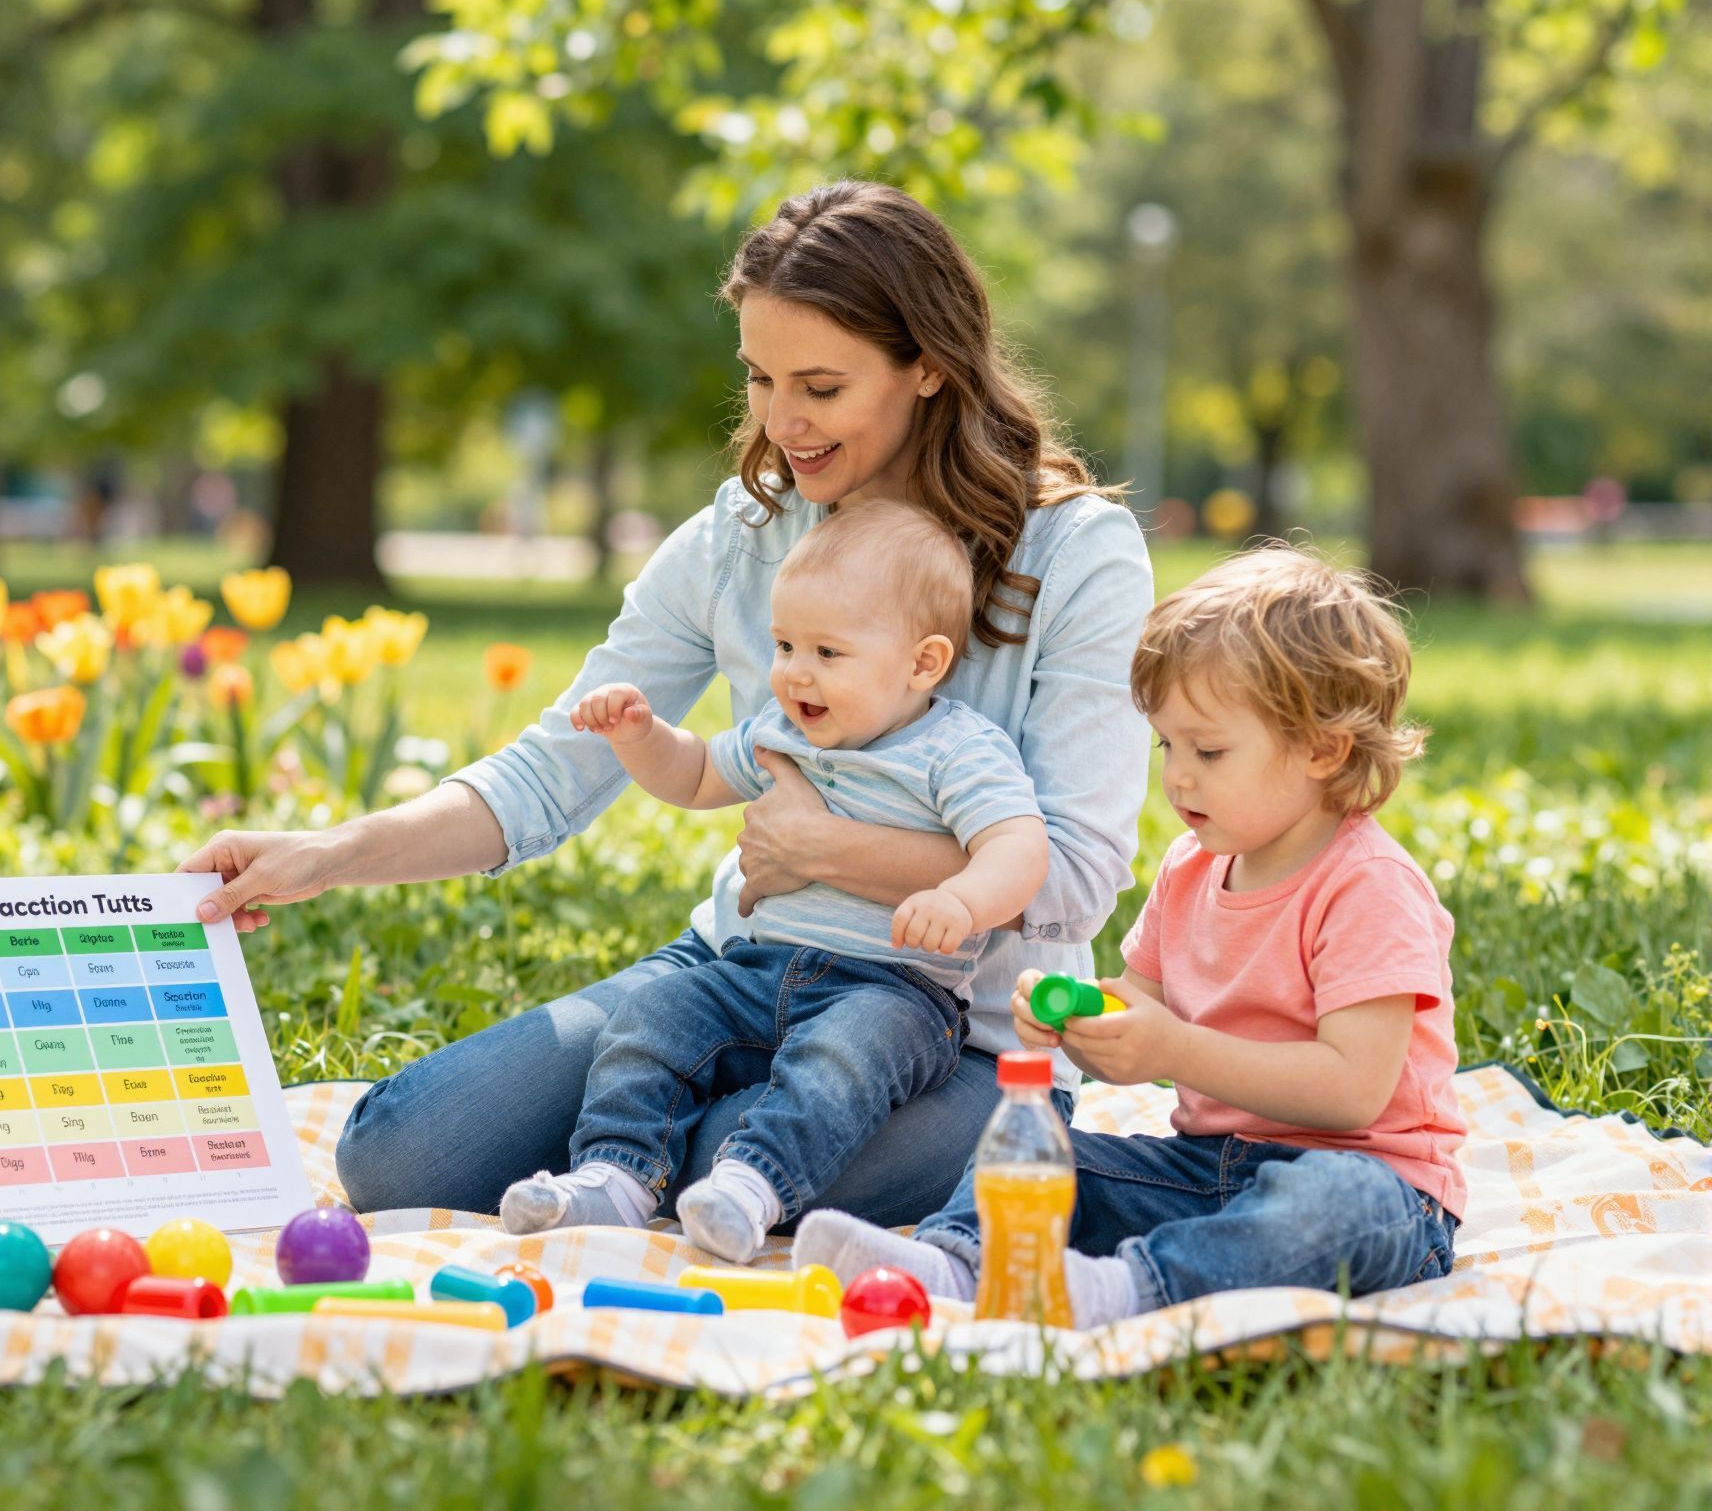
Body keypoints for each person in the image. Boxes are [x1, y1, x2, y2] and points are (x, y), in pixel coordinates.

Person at [179, 180, 1155, 1225]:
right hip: (739, 974)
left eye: (820, 387)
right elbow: (553, 771)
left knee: (717, 1161)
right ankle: (654, 1150)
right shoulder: (743, 534)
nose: (782, 424)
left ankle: (667, 1160)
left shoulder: (1073, 553)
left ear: (926, 365)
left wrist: (820, 849)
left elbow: (1076, 878)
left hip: (960, 1032)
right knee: (397, 1158)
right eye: (760, 378)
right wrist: (328, 854)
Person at [795, 547, 1465, 1324]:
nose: (1178, 777)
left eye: (1208, 751)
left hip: (1375, 1186)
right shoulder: (1191, 867)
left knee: (1326, 1205)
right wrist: (1075, 1016)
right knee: (1056, 1155)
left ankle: (1133, 1289)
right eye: (1168, 747)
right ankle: (958, 1261)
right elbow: (1133, 1008)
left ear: (1324, 749)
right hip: (1210, 1166)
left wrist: (1173, 1049)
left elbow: (1353, 1090)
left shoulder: (1367, 886)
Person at [501, 501, 1048, 1260]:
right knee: (654, 1017)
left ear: (923, 664)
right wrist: (641, 736)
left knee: (839, 1064)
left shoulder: (956, 750)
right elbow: (694, 776)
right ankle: (615, 1178)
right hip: (758, 967)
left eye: (828, 652)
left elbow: (1019, 845)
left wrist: (960, 899)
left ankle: (749, 1189)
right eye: (786, 643)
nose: (794, 671)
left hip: (892, 991)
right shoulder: (781, 729)